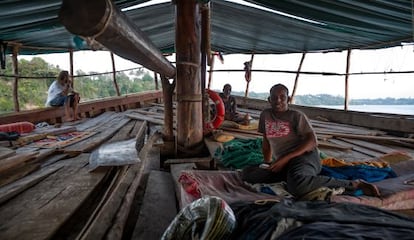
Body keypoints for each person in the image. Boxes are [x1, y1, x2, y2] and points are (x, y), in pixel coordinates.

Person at [241, 83, 380, 199]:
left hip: (305, 157)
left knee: (298, 187)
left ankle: (353, 184)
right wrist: (268, 162)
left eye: (282, 97)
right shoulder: (266, 115)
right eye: (274, 98)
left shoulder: (296, 116)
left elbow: (312, 142)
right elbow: (266, 141)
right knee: (248, 173)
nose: (278, 101)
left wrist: (285, 159)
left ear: (288, 99)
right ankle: (294, 177)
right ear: (269, 99)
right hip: (284, 162)